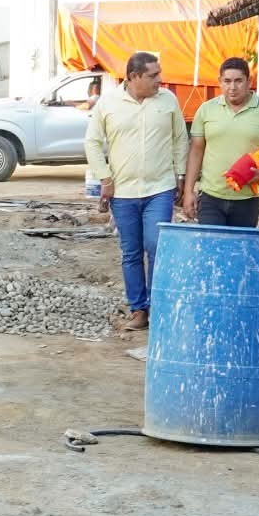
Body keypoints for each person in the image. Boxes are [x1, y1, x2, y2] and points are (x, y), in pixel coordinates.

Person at [85, 51, 186, 330]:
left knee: (156, 246)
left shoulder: (168, 101)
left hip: (160, 188)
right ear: (133, 77)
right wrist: (105, 178)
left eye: (159, 73)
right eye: (153, 75)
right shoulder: (108, 103)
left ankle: (158, 307)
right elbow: (92, 142)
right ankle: (138, 310)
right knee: (131, 252)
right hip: (123, 192)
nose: (159, 80)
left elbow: (180, 138)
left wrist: (180, 174)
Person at [182, 57, 259, 227]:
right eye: (227, 81)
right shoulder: (206, 110)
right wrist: (188, 191)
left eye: (238, 81)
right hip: (211, 196)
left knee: (240, 250)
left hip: (247, 198)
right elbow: (196, 151)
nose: (232, 87)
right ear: (220, 82)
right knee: (212, 250)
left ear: (249, 82)